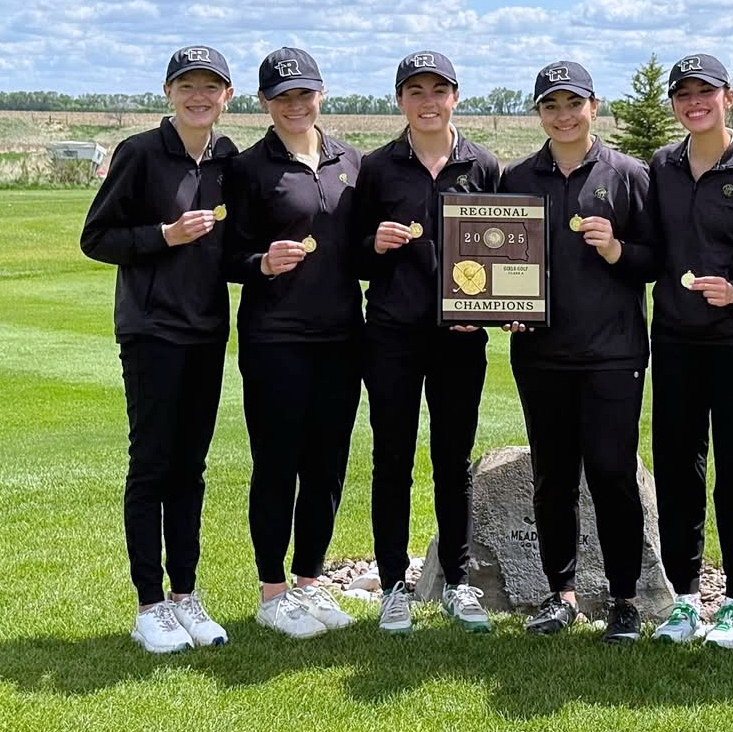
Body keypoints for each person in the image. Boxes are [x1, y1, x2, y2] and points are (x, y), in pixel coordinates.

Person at [80, 45, 237, 653]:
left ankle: (185, 596)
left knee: (190, 469)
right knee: (152, 465)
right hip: (151, 332)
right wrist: (163, 236)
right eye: (187, 86)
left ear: (227, 96)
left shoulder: (227, 158)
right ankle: (150, 604)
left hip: (205, 332)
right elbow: (97, 238)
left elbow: (233, 249)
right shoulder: (140, 153)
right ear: (169, 92)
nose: (199, 97)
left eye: (211, 87)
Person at [500, 61, 652, 644]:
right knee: (552, 477)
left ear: (594, 105)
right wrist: (499, 307)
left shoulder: (629, 174)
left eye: (573, 103)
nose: (562, 116)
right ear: (538, 112)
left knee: (613, 475)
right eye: (550, 106)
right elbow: (495, 267)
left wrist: (617, 250)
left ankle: (624, 600)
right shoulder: (517, 178)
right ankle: (559, 593)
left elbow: (655, 260)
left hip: (612, 353)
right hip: (540, 353)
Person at [355, 51, 500, 634]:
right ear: (400, 101)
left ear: (455, 98)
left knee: (452, 460)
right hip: (391, 332)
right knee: (391, 458)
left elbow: (504, 255)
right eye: (415, 91)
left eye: (439, 90)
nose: (428, 101)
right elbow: (352, 254)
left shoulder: (484, 166)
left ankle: (457, 583)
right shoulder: (377, 168)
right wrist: (376, 244)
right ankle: (393, 583)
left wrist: (485, 312)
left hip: (459, 340)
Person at [646, 54, 733, 648]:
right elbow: (650, 247)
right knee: (678, 468)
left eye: (705, 92)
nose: (694, 102)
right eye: (683, 94)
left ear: (727, 97)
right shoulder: (661, 167)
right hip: (675, 340)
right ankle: (683, 599)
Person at [225, 46, 364, 639]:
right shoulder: (250, 167)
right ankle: (272, 592)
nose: (295, 105)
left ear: (321, 93)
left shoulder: (351, 162)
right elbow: (226, 255)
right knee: (278, 463)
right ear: (264, 103)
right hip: (275, 337)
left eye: (304, 94)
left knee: (328, 465)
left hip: (341, 335)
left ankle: (309, 583)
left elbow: (360, 249)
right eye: (282, 97)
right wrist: (261, 262)